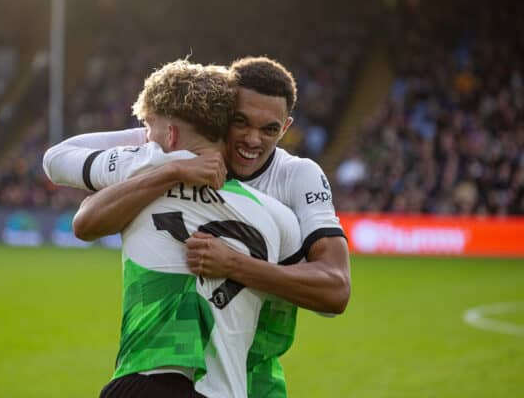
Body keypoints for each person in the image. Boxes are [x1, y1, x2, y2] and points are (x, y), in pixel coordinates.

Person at [44, 56, 351, 397]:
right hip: (170, 368)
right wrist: (165, 158)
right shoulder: (160, 152)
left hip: (251, 377)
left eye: (270, 129)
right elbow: (66, 177)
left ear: (286, 128)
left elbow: (334, 290)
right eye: (240, 122)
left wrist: (235, 265)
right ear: (221, 117)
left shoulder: (297, 177)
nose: (252, 140)